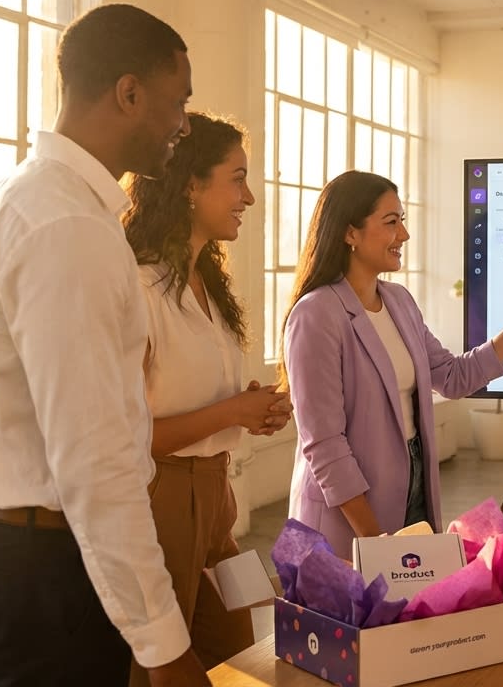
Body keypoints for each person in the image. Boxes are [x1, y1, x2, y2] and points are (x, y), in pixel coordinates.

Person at [0, 3, 209, 686]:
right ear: (128, 94)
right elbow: (93, 458)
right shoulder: (67, 225)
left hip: (20, 544)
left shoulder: (30, 197)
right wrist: (166, 646)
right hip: (42, 560)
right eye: (177, 101)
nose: (184, 123)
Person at [280, 170, 503, 559]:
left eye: (403, 221)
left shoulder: (399, 301)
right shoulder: (316, 315)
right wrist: (375, 540)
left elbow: (451, 377)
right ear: (350, 233)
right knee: (366, 617)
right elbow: (326, 446)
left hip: (412, 490)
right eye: (391, 222)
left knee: (413, 615)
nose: (404, 234)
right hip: (349, 517)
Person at [121, 111, 292, 680]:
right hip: (157, 499)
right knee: (163, 671)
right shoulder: (139, 287)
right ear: (191, 184)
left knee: (235, 658)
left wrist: (247, 408)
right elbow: (125, 436)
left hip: (215, 496)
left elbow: (192, 399)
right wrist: (229, 412)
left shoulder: (205, 285)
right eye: (236, 178)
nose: (249, 196)